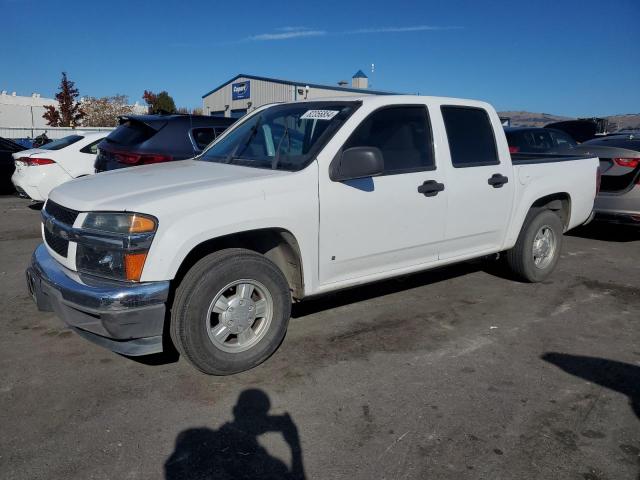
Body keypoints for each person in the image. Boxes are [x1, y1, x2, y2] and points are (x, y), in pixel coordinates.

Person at [165, 389, 305, 480]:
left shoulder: (203, 443)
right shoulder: (273, 466)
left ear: (235, 410)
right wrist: (295, 447)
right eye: (253, 413)